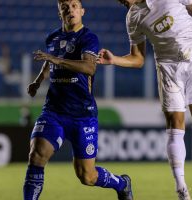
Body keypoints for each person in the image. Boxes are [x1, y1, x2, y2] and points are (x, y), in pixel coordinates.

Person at [97, 0, 192, 200]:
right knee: (175, 125)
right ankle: (181, 188)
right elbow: (138, 58)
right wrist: (115, 60)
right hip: (168, 69)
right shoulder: (132, 18)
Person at [22, 0, 133, 200]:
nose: (70, 10)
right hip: (54, 111)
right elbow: (50, 61)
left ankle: (122, 183)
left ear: (82, 11)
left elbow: (89, 67)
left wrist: (58, 60)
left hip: (82, 114)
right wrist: (38, 81)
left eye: (74, 6)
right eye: (65, 7)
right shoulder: (53, 37)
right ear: (60, 13)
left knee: (87, 176)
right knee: (36, 156)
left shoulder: (88, 38)